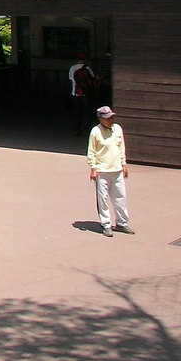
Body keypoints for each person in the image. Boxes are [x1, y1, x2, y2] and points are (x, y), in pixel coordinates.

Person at [87, 106, 134, 237]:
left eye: (112, 117)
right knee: (103, 199)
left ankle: (122, 223)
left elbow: (121, 147)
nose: (111, 120)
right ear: (101, 119)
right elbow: (91, 151)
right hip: (102, 170)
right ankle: (106, 224)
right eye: (108, 118)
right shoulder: (95, 132)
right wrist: (93, 168)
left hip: (117, 169)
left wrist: (123, 163)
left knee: (120, 197)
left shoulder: (117, 129)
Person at [69, 53, 97, 135]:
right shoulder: (87, 68)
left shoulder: (72, 68)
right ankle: (86, 129)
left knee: (77, 112)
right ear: (85, 59)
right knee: (87, 111)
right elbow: (92, 79)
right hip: (86, 93)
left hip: (75, 93)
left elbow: (71, 79)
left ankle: (76, 129)